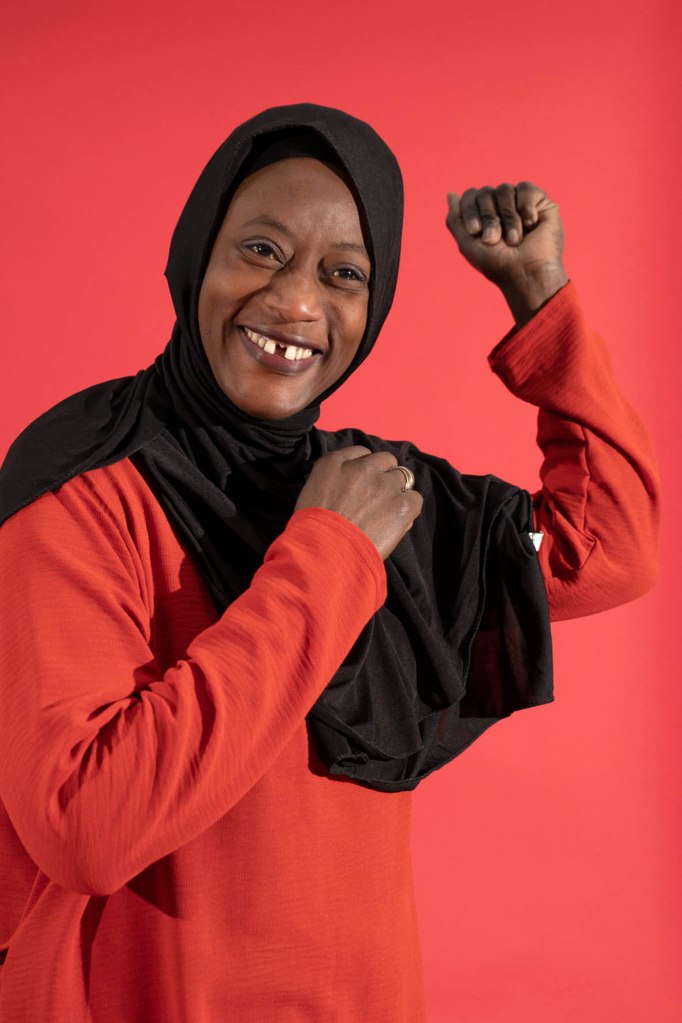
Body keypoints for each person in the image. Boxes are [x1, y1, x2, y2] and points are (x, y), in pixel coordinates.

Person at [0, 104, 659, 1021]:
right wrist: (327, 560)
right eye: (261, 250)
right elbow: (85, 823)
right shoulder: (88, 487)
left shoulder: (386, 501)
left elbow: (603, 543)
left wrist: (540, 299)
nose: (297, 302)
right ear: (197, 253)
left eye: (343, 273)